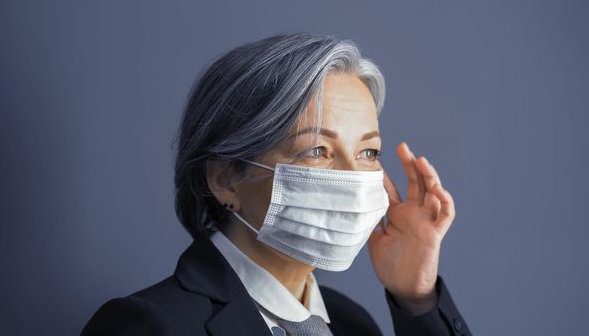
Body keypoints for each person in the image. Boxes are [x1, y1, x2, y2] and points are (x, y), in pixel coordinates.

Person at [81, 33, 472, 335]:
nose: (354, 176)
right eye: (318, 150)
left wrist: (417, 298)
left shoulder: (351, 323)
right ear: (225, 179)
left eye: (369, 153)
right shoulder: (153, 325)